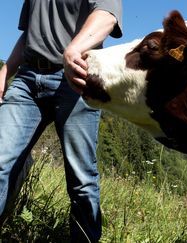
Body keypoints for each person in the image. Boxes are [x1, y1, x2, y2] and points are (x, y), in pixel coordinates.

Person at [0, 0, 122, 241]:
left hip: (74, 79)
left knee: (81, 178)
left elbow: (107, 16)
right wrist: (5, 72)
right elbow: (28, 35)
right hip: (27, 79)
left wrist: (73, 49)